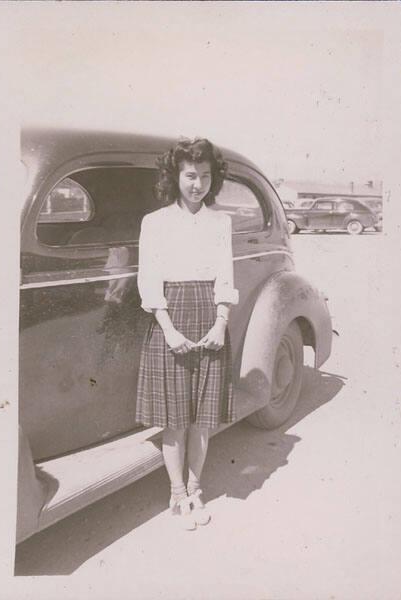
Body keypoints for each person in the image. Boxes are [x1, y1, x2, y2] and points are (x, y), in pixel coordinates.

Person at [136, 138, 238, 530]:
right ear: (176, 176)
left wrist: (221, 322)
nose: (198, 184)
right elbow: (149, 281)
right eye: (191, 175)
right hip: (171, 319)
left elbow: (225, 277)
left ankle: (195, 489)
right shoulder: (155, 222)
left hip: (210, 317)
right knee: (176, 418)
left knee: (203, 417)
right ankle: (177, 495)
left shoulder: (220, 221)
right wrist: (169, 331)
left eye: (206, 176)